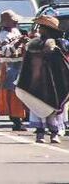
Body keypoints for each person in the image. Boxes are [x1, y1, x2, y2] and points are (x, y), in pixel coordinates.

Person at [15, 14, 69, 144]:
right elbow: (28, 64)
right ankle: (40, 134)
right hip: (37, 81)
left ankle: (54, 133)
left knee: (53, 108)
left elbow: (62, 65)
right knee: (37, 107)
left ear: (49, 29)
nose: (39, 29)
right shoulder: (34, 44)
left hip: (53, 82)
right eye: (40, 27)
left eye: (42, 27)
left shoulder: (59, 45)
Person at [0, 9, 28, 130]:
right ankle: (16, 120)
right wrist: (19, 42)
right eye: (13, 20)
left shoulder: (16, 31)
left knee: (20, 93)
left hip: (20, 64)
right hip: (9, 66)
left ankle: (20, 117)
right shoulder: (3, 35)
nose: (16, 22)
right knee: (13, 93)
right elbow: (6, 51)